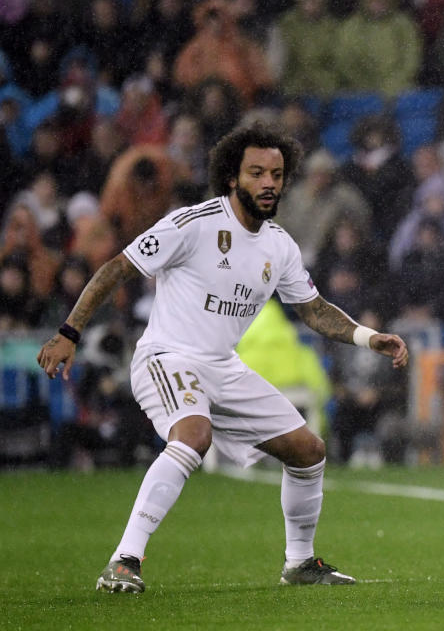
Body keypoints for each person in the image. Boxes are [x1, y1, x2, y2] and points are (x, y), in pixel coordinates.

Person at [36, 121, 409, 593]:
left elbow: (312, 308)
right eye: (257, 173)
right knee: (194, 436)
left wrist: (367, 337)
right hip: (167, 356)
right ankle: (124, 560)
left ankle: (300, 564)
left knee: (308, 450)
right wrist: (69, 331)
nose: (269, 183)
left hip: (222, 366)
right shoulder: (193, 224)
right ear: (232, 177)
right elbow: (117, 268)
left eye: (276, 173)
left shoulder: (279, 245)